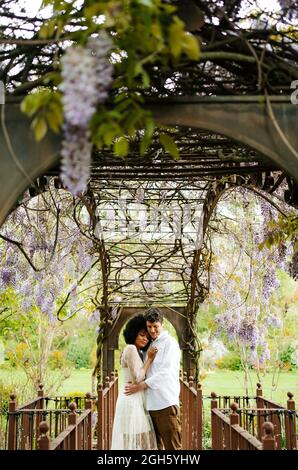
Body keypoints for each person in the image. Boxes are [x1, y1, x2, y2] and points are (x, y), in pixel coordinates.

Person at [125, 307, 182, 450]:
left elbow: (165, 373)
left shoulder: (170, 343)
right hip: (149, 406)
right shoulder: (150, 344)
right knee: (155, 448)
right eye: (149, 326)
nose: (152, 330)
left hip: (165, 404)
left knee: (173, 448)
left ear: (162, 324)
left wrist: (140, 386)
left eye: (155, 326)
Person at [110, 314, 158, 450]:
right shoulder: (131, 349)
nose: (145, 339)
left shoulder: (136, 351)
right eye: (142, 335)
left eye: (147, 337)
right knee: (140, 440)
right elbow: (137, 377)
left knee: (133, 441)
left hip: (134, 399)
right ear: (133, 333)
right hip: (131, 401)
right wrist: (149, 359)